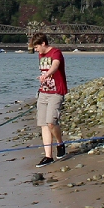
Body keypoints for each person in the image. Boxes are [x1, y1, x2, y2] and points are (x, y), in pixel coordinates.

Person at [31, 34, 67, 166]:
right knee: (43, 124)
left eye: (37, 47)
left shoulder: (56, 52)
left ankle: (60, 143)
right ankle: (48, 156)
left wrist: (47, 74)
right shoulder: (41, 55)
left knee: (51, 122)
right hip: (43, 93)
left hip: (56, 92)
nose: (36, 50)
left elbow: (55, 65)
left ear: (43, 43)